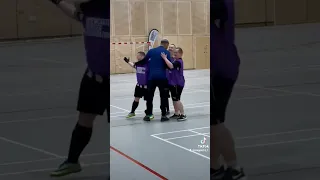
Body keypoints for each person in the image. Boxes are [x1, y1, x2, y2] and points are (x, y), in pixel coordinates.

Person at [48, 0, 109, 177]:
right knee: (84, 121)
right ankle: (72, 162)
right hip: (92, 77)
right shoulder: (88, 13)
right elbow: (73, 12)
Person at [210, 0, 246, 180]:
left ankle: (234, 169)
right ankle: (214, 167)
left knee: (215, 123)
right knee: (213, 123)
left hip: (219, 68)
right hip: (221, 66)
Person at [134, 39, 172, 122]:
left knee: (149, 97)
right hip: (162, 78)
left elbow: (144, 61)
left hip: (151, 78)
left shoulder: (151, 51)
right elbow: (170, 66)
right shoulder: (166, 52)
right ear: (166, 44)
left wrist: (135, 64)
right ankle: (163, 115)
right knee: (163, 97)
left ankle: (149, 114)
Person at [161, 47, 187, 121]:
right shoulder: (174, 60)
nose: (175, 54)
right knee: (174, 99)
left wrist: (165, 58)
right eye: (174, 52)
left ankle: (183, 114)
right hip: (172, 82)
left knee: (177, 99)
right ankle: (176, 113)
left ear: (181, 54)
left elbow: (171, 66)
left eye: (176, 52)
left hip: (178, 83)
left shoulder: (178, 62)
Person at [124, 52, 148, 118]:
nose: (137, 57)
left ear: (142, 56)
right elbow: (133, 65)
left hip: (147, 86)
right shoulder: (138, 64)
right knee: (136, 99)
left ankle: (148, 113)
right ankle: (132, 112)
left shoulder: (147, 64)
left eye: (138, 56)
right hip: (139, 86)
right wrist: (128, 62)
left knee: (148, 100)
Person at [165, 44, 176, 115]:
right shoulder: (166, 57)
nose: (170, 48)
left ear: (175, 49)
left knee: (174, 96)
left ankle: (176, 110)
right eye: (169, 47)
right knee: (165, 96)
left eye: (172, 47)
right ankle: (167, 109)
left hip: (173, 81)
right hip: (165, 80)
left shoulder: (176, 59)